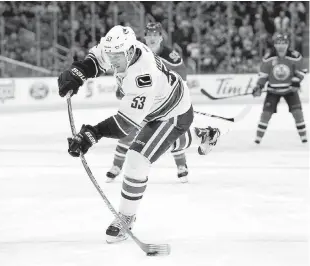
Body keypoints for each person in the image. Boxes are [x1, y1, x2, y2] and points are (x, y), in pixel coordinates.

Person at [58, 25, 221, 243]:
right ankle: (203, 135)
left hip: (173, 113)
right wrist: (77, 73)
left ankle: (126, 217)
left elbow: (125, 125)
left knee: (137, 158)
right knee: (155, 146)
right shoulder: (120, 48)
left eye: (117, 57)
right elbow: (96, 60)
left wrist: (92, 133)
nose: (112, 61)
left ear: (129, 52)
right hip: (156, 107)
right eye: (110, 55)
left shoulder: (143, 75)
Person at [106, 22, 190, 183]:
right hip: (143, 101)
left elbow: (182, 76)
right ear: (144, 37)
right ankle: (116, 166)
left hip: (164, 102)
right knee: (128, 129)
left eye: (155, 34)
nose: (152, 38)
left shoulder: (170, 55)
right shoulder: (136, 53)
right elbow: (125, 72)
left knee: (172, 133)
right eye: (149, 34)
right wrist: (122, 88)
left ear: (161, 37)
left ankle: (182, 165)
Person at [252, 33, 308, 144]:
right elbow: (263, 75)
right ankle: (258, 139)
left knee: (298, 113)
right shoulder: (268, 58)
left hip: (290, 90)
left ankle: (304, 137)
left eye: (284, 43)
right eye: (278, 43)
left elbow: (302, 70)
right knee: (266, 114)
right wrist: (259, 86)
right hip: (273, 90)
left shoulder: (295, 56)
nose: (281, 46)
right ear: (275, 45)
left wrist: (296, 82)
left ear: (288, 44)